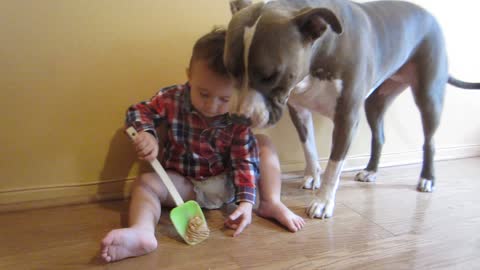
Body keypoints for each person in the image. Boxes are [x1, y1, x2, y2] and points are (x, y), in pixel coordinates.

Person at [100, 28, 305, 263]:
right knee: (146, 183)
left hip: (227, 183)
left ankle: (270, 202)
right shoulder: (172, 98)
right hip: (185, 185)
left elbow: (243, 160)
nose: (211, 105)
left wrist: (246, 202)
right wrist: (147, 134)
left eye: (224, 99)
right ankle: (142, 232)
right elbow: (138, 111)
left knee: (264, 144)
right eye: (203, 93)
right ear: (190, 75)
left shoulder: (239, 115)